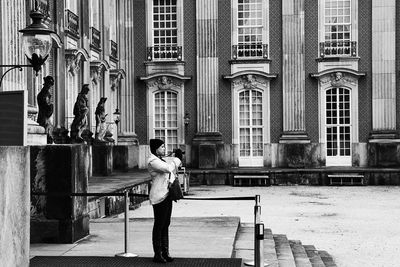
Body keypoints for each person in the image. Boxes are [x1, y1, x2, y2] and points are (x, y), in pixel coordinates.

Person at [147, 139, 181, 263]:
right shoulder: (153, 161)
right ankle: (157, 253)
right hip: (159, 196)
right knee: (159, 225)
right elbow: (168, 168)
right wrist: (177, 159)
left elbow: (171, 172)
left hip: (167, 195)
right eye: (162, 147)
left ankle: (165, 252)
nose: (164, 149)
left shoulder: (160, 160)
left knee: (166, 224)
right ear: (156, 149)